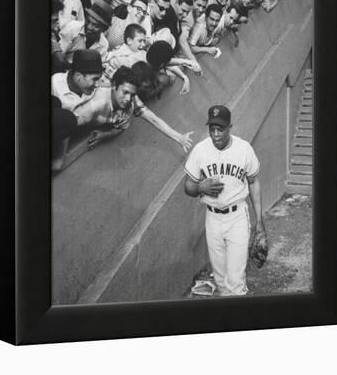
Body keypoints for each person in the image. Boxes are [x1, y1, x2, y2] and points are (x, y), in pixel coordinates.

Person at [184, 104, 267, 296]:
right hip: (212, 219)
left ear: (230, 127)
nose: (215, 134)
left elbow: (253, 183)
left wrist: (260, 222)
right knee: (221, 281)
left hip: (237, 217)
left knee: (235, 283)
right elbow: (188, 186)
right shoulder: (200, 150)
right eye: (212, 129)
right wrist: (199, 187)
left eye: (220, 129)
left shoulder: (244, 149)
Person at [80, 66, 194, 152]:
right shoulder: (95, 99)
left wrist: (179, 138)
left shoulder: (131, 99)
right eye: (125, 92)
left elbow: (153, 119)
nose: (128, 98)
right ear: (114, 86)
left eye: (132, 94)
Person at [56, 0, 112, 66]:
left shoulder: (103, 45)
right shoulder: (72, 28)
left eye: (95, 25)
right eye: (88, 21)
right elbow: (58, 55)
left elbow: (95, 68)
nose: (89, 27)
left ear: (104, 29)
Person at [51, 49, 103, 115]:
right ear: (78, 76)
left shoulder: (91, 89)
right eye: (95, 79)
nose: (98, 84)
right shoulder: (54, 85)